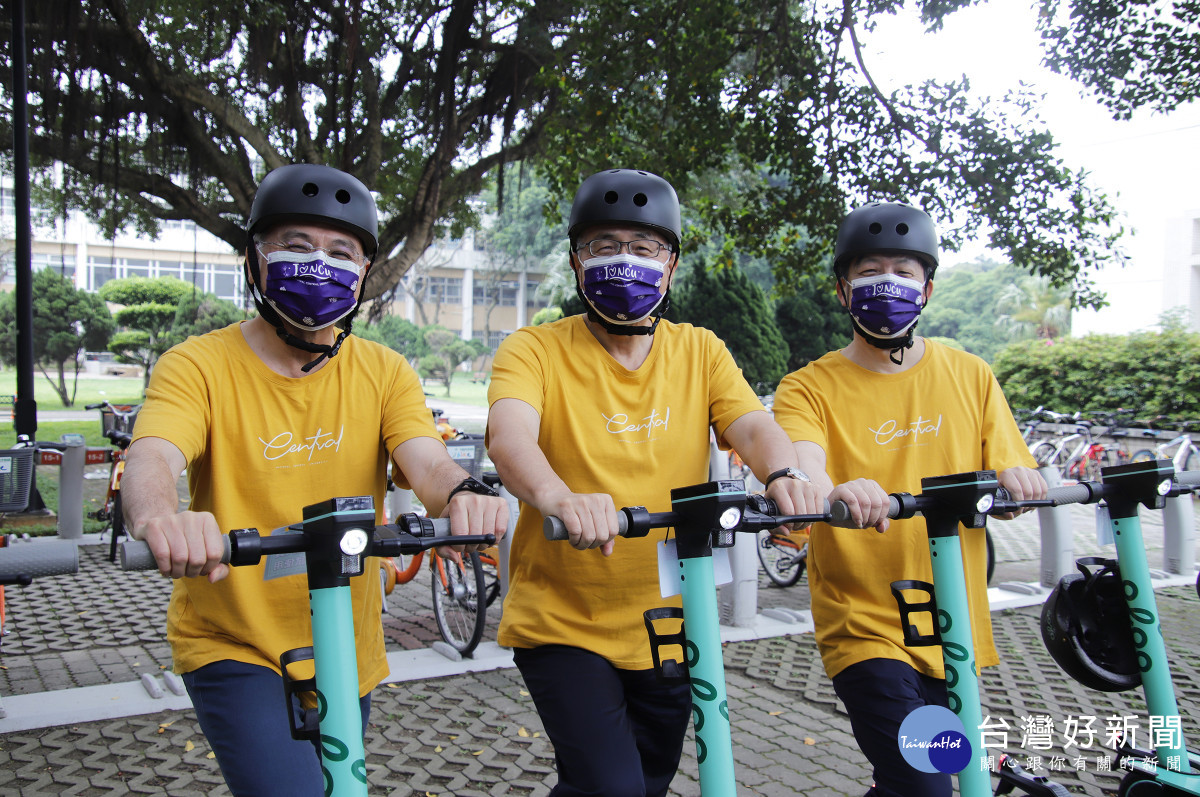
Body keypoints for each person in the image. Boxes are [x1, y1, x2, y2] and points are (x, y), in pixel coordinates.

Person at [120, 163, 509, 796]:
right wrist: (161, 516)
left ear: (362, 275)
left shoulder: (384, 371)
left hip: (344, 641)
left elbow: (426, 462)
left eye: (340, 253)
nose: (317, 264)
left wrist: (466, 495)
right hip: (232, 638)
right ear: (254, 261)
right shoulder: (197, 365)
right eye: (296, 247)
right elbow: (154, 456)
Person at [485, 168, 823, 796]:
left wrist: (784, 471)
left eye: (643, 249)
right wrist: (559, 496)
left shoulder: (700, 350)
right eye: (603, 246)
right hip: (563, 622)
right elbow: (510, 437)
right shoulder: (533, 349)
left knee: (643, 781)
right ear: (576, 260)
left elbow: (751, 425)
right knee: (614, 789)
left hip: (673, 616)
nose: (623, 262)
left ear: (670, 265)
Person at [771, 201, 1047, 797]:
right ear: (843, 291)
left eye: (904, 270)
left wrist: (1020, 484)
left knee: (928, 780)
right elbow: (804, 465)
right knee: (924, 782)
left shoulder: (970, 374)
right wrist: (835, 490)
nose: (887, 284)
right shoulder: (806, 387)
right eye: (870, 271)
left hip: (952, 619)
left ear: (926, 288)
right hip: (864, 620)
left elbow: (1010, 461)